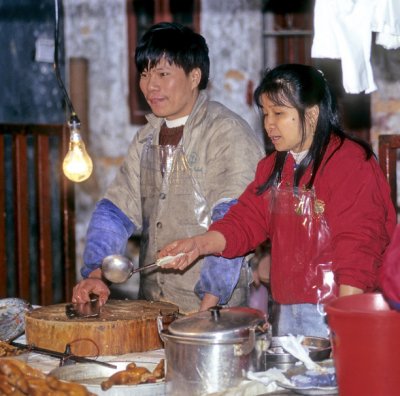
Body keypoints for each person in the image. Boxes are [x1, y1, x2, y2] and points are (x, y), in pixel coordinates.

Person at [159, 64, 396, 336]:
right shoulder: (273, 167)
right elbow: (244, 222)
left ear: (311, 114)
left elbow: (359, 249)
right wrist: (197, 245)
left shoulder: (350, 163)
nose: (269, 124)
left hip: (338, 309)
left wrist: (346, 323)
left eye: (279, 113)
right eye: (266, 113)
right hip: (285, 310)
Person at [71, 22, 264, 314]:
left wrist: (206, 311)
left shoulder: (227, 133)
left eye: (163, 74)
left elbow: (234, 221)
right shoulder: (147, 137)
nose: (151, 86)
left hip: (212, 312)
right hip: (152, 309)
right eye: (145, 74)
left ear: (194, 76)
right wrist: (95, 273)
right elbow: (115, 210)